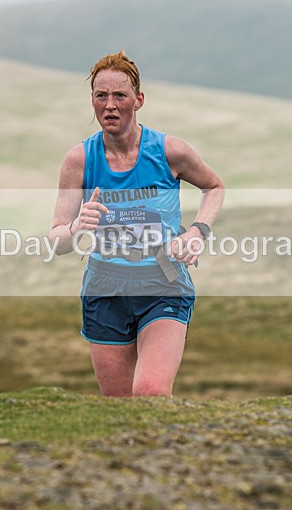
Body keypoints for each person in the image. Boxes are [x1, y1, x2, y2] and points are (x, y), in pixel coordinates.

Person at [49, 51, 224, 397]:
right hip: (105, 288)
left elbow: (214, 187)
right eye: (101, 96)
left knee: (150, 392)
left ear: (138, 100)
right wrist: (76, 229)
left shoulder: (170, 151)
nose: (110, 105)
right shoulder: (79, 160)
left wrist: (196, 231)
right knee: (119, 409)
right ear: (93, 102)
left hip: (163, 281)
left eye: (120, 95)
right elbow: (56, 240)